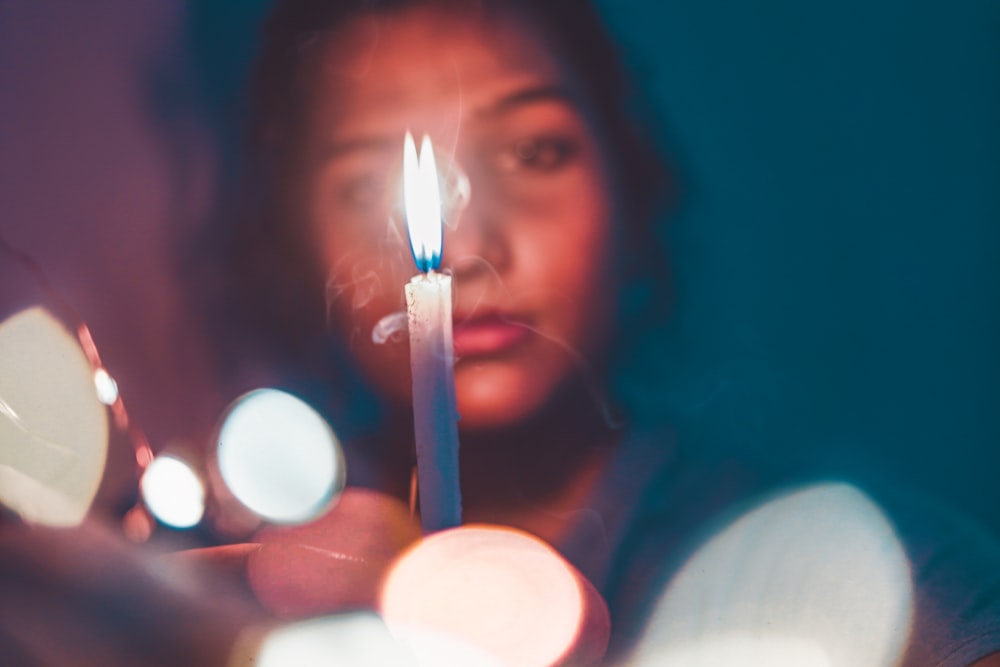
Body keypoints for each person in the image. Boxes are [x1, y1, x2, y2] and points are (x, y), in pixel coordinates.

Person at [210, 0, 1000, 665]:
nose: (471, 246)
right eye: (362, 183)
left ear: (631, 185)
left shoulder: (854, 568)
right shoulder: (261, 572)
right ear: (290, 239)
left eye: (533, 151)